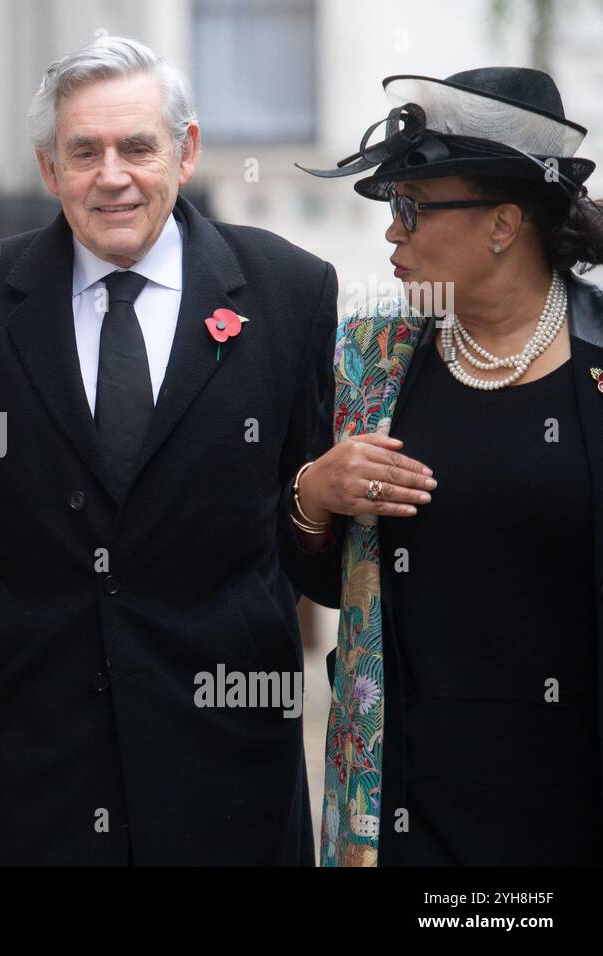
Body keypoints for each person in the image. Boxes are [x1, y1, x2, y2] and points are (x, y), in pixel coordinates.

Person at [0, 35, 338, 865]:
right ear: (50, 168)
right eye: (85, 151)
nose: (111, 175)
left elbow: (310, 535)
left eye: (137, 147)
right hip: (37, 767)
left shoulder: (290, 291)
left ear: (185, 152)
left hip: (229, 767)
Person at [295, 67, 603, 866]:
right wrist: (312, 496)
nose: (392, 236)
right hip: (408, 796)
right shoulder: (369, 356)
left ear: (503, 223)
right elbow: (330, 583)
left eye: (411, 209)